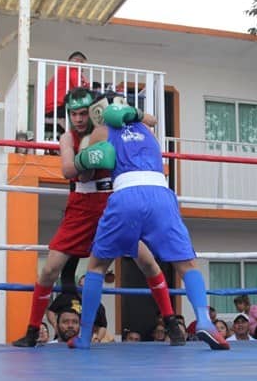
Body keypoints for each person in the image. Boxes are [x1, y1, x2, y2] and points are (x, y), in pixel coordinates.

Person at [13, 89, 180, 347]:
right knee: (49, 268)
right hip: (80, 206)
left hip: (113, 202)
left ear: (94, 111)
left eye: (82, 113)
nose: (78, 119)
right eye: (73, 114)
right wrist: (88, 157)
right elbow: (70, 170)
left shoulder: (111, 129)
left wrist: (131, 113)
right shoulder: (68, 138)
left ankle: (171, 323)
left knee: (147, 262)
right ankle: (33, 330)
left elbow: (150, 121)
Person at [67, 103, 229, 350]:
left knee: (97, 266)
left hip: (126, 196)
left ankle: (84, 337)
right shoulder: (146, 127)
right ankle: (205, 321)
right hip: (161, 194)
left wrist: (82, 158)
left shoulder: (101, 132)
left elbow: (85, 175)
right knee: (186, 264)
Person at [44, 51, 90, 135]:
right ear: (77, 61)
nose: (83, 70)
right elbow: (81, 89)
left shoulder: (65, 70)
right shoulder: (72, 68)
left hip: (53, 107)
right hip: (55, 108)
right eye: (83, 65)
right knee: (86, 112)